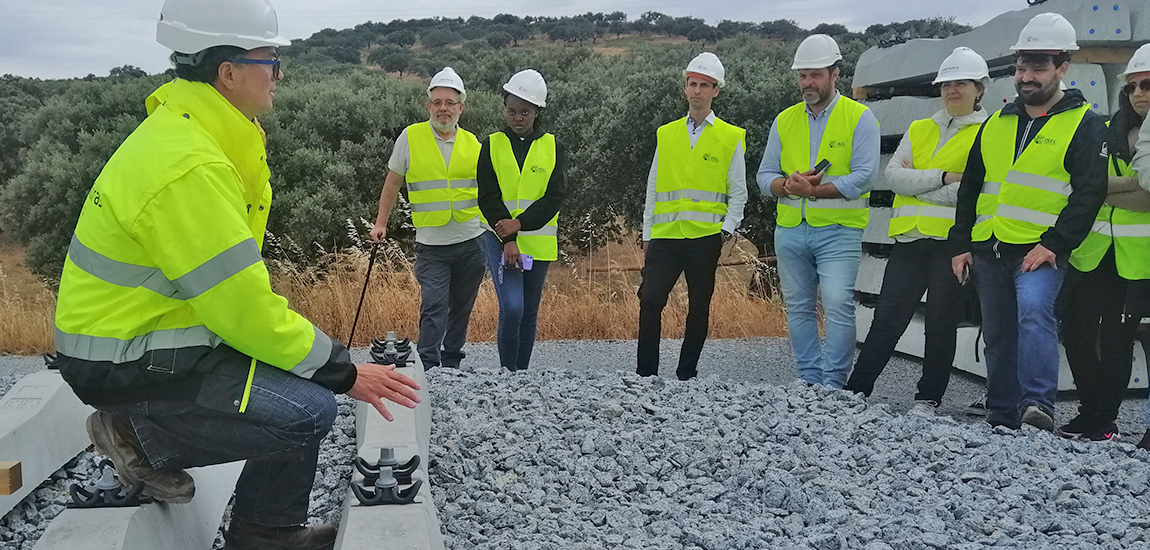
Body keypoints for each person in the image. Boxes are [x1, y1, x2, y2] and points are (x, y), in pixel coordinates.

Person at [52, 1, 420, 548]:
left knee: (299, 373)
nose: (278, 74)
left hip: (150, 338)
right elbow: (242, 308)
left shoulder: (198, 136)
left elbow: (232, 297)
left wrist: (316, 361)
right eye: (270, 60)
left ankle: (265, 531)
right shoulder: (189, 166)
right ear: (228, 72)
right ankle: (134, 434)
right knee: (308, 408)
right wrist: (344, 372)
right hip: (121, 358)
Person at [949, 13, 1107, 432]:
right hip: (989, 246)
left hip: (1040, 250)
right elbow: (971, 188)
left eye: (1038, 67)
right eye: (1021, 67)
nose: (1026, 76)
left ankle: (1037, 406)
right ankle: (1002, 415)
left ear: (1062, 68)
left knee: (1035, 314)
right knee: (998, 333)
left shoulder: (1085, 124)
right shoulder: (996, 123)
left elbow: (1089, 193)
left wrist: (1054, 244)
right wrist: (960, 243)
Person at [844, 48, 990, 415]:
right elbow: (893, 177)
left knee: (940, 324)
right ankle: (856, 390)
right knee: (886, 319)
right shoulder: (919, 128)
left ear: (979, 89)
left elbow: (972, 191)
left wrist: (918, 183)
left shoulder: (989, 134)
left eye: (961, 83)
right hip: (909, 240)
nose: (951, 90)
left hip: (951, 245)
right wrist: (944, 176)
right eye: (946, 84)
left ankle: (928, 399)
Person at [757, 34, 881, 388]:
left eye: (815, 75)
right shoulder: (784, 120)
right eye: (802, 76)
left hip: (839, 229)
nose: (807, 83)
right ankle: (809, 381)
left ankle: (834, 384)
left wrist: (812, 191)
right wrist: (786, 185)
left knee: (838, 303)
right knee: (798, 306)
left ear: (835, 74)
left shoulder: (860, 117)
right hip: (791, 228)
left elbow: (865, 177)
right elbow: (764, 175)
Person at [636, 52, 747, 381]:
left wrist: (726, 231)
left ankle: (686, 374)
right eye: (692, 84)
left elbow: (738, 191)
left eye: (704, 85)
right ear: (685, 87)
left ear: (716, 90)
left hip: (705, 237)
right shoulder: (666, 133)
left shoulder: (730, 137)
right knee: (650, 300)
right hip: (666, 236)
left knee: (699, 307)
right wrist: (647, 232)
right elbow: (653, 186)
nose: (697, 90)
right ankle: (646, 375)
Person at [1059, 44, 1150, 442]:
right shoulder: (1106, 129)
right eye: (1132, 87)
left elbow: (1147, 195)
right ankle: (1091, 410)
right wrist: (1129, 186)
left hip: (1139, 259)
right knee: (1075, 331)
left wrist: (1105, 189)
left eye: (1147, 85)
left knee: (1117, 340)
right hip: (1095, 253)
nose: (1139, 93)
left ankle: (1105, 420)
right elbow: (1084, 184)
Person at [370, 67, 486, 370]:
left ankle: (452, 362)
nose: (443, 108)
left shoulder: (473, 143)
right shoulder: (410, 137)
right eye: (437, 102)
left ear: (461, 107)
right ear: (428, 106)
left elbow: (488, 190)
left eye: (450, 102)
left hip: (471, 241)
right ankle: (429, 364)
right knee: (434, 304)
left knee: (462, 307)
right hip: (431, 245)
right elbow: (392, 181)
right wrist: (381, 222)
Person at [477, 69, 567, 372]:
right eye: (512, 111)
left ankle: (522, 377)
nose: (517, 117)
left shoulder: (553, 146)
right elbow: (487, 196)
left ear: (537, 111)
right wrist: (509, 237)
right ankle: (508, 374)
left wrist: (520, 224)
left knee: (528, 311)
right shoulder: (491, 144)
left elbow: (555, 196)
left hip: (538, 242)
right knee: (513, 307)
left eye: (525, 112)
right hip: (500, 238)